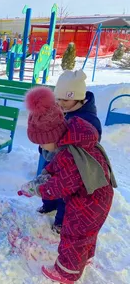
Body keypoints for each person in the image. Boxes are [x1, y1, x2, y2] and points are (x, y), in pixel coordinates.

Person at [19, 86, 116, 284]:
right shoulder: (73, 137)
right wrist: (47, 172)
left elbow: (61, 186)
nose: (42, 148)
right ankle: (85, 257)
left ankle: (67, 273)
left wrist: (39, 189)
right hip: (97, 196)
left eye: (43, 144)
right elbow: (60, 163)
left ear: (52, 137)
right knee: (87, 234)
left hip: (88, 202)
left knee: (73, 236)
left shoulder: (72, 154)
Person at [37, 69, 102, 233]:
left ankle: (60, 222)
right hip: (53, 159)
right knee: (48, 183)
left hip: (72, 167)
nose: (59, 103)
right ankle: (48, 205)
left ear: (78, 98)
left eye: (65, 99)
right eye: (57, 98)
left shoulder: (89, 120)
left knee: (65, 195)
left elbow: (89, 145)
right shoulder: (62, 110)